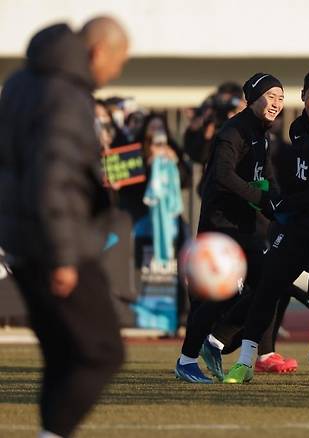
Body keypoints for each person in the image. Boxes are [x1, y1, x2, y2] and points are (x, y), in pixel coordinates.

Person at [0, 17, 129, 437]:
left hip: (21, 239)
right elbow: (53, 180)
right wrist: (63, 257)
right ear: (96, 53)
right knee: (102, 353)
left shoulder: (22, 83)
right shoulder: (66, 96)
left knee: (62, 355)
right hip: (59, 243)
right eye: (118, 61)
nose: (117, 72)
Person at [224, 69, 309, 384]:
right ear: (302, 96)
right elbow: (296, 178)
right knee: (268, 285)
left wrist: (281, 205)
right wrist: (277, 197)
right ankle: (245, 362)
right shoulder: (298, 128)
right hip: (300, 222)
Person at [174, 73, 298, 382]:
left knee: (270, 283)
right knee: (219, 293)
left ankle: (214, 341)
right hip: (221, 227)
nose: (277, 104)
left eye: (281, 99)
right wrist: (261, 198)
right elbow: (222, 176)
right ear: (252, 98)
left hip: (245, 228)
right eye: (271, 97)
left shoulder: (261, 134)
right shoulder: (233, 132)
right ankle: (187, 361)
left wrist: (276, 205)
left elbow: (261, 180)